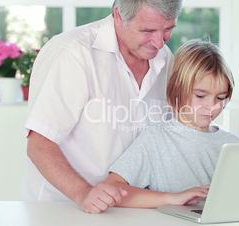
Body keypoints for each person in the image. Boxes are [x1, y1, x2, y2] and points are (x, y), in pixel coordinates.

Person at [25, 0, 183, 212]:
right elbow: (39, 144)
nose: (159, 42)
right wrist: (83, 193)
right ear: (118, 16)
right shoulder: (73, 53)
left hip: (133, 209)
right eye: (148, 30)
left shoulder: (165, 59)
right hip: (63, 209)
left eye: (168, 29)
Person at [85, 40, 239, 213]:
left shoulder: (232, 144)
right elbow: (113, 189)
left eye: (220, 98)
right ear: (177, 89)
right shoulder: (155, 138)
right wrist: (173, 198)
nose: (212, 106)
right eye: (201, 95)